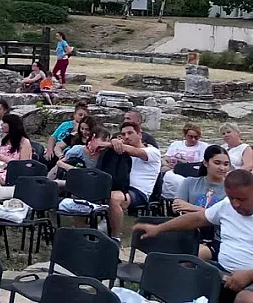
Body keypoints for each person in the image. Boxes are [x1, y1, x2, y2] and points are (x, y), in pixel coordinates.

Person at [137, 169, 253, 302]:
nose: (235, 204)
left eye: (242, 199)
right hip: (222, 271)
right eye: (232, 198)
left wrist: (249, 275)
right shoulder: (226, 205)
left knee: (245, 299)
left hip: (250, 278)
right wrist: (158, 229)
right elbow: (197, 219)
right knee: (177, 275)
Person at [106, 121, 161, 239]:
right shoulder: (122, 150)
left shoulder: (152, 152)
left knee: (114, 198)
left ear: (140, 134)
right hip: (121, 186)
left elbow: (136, 152)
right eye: (123, 134)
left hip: (139, 192)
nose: (126, 137)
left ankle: (115, 238)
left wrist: (113, 143)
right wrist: (113, 142)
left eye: (130, 133)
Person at [161, 123, 212, 199]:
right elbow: (166, 157)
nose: (193, 139)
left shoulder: (203, 146)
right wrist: (166, 163)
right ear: (185, 135)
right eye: (190, 137)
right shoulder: (176, 144)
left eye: (196, 137)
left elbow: (201, 164)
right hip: (172, 170)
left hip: (191, 172)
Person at [0, 113, 33, 190]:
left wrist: (4, 159)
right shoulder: (3, 140)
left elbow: (23, 165)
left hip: (13, 173)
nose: (2, 125)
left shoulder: (24, 142)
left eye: (4, 123)